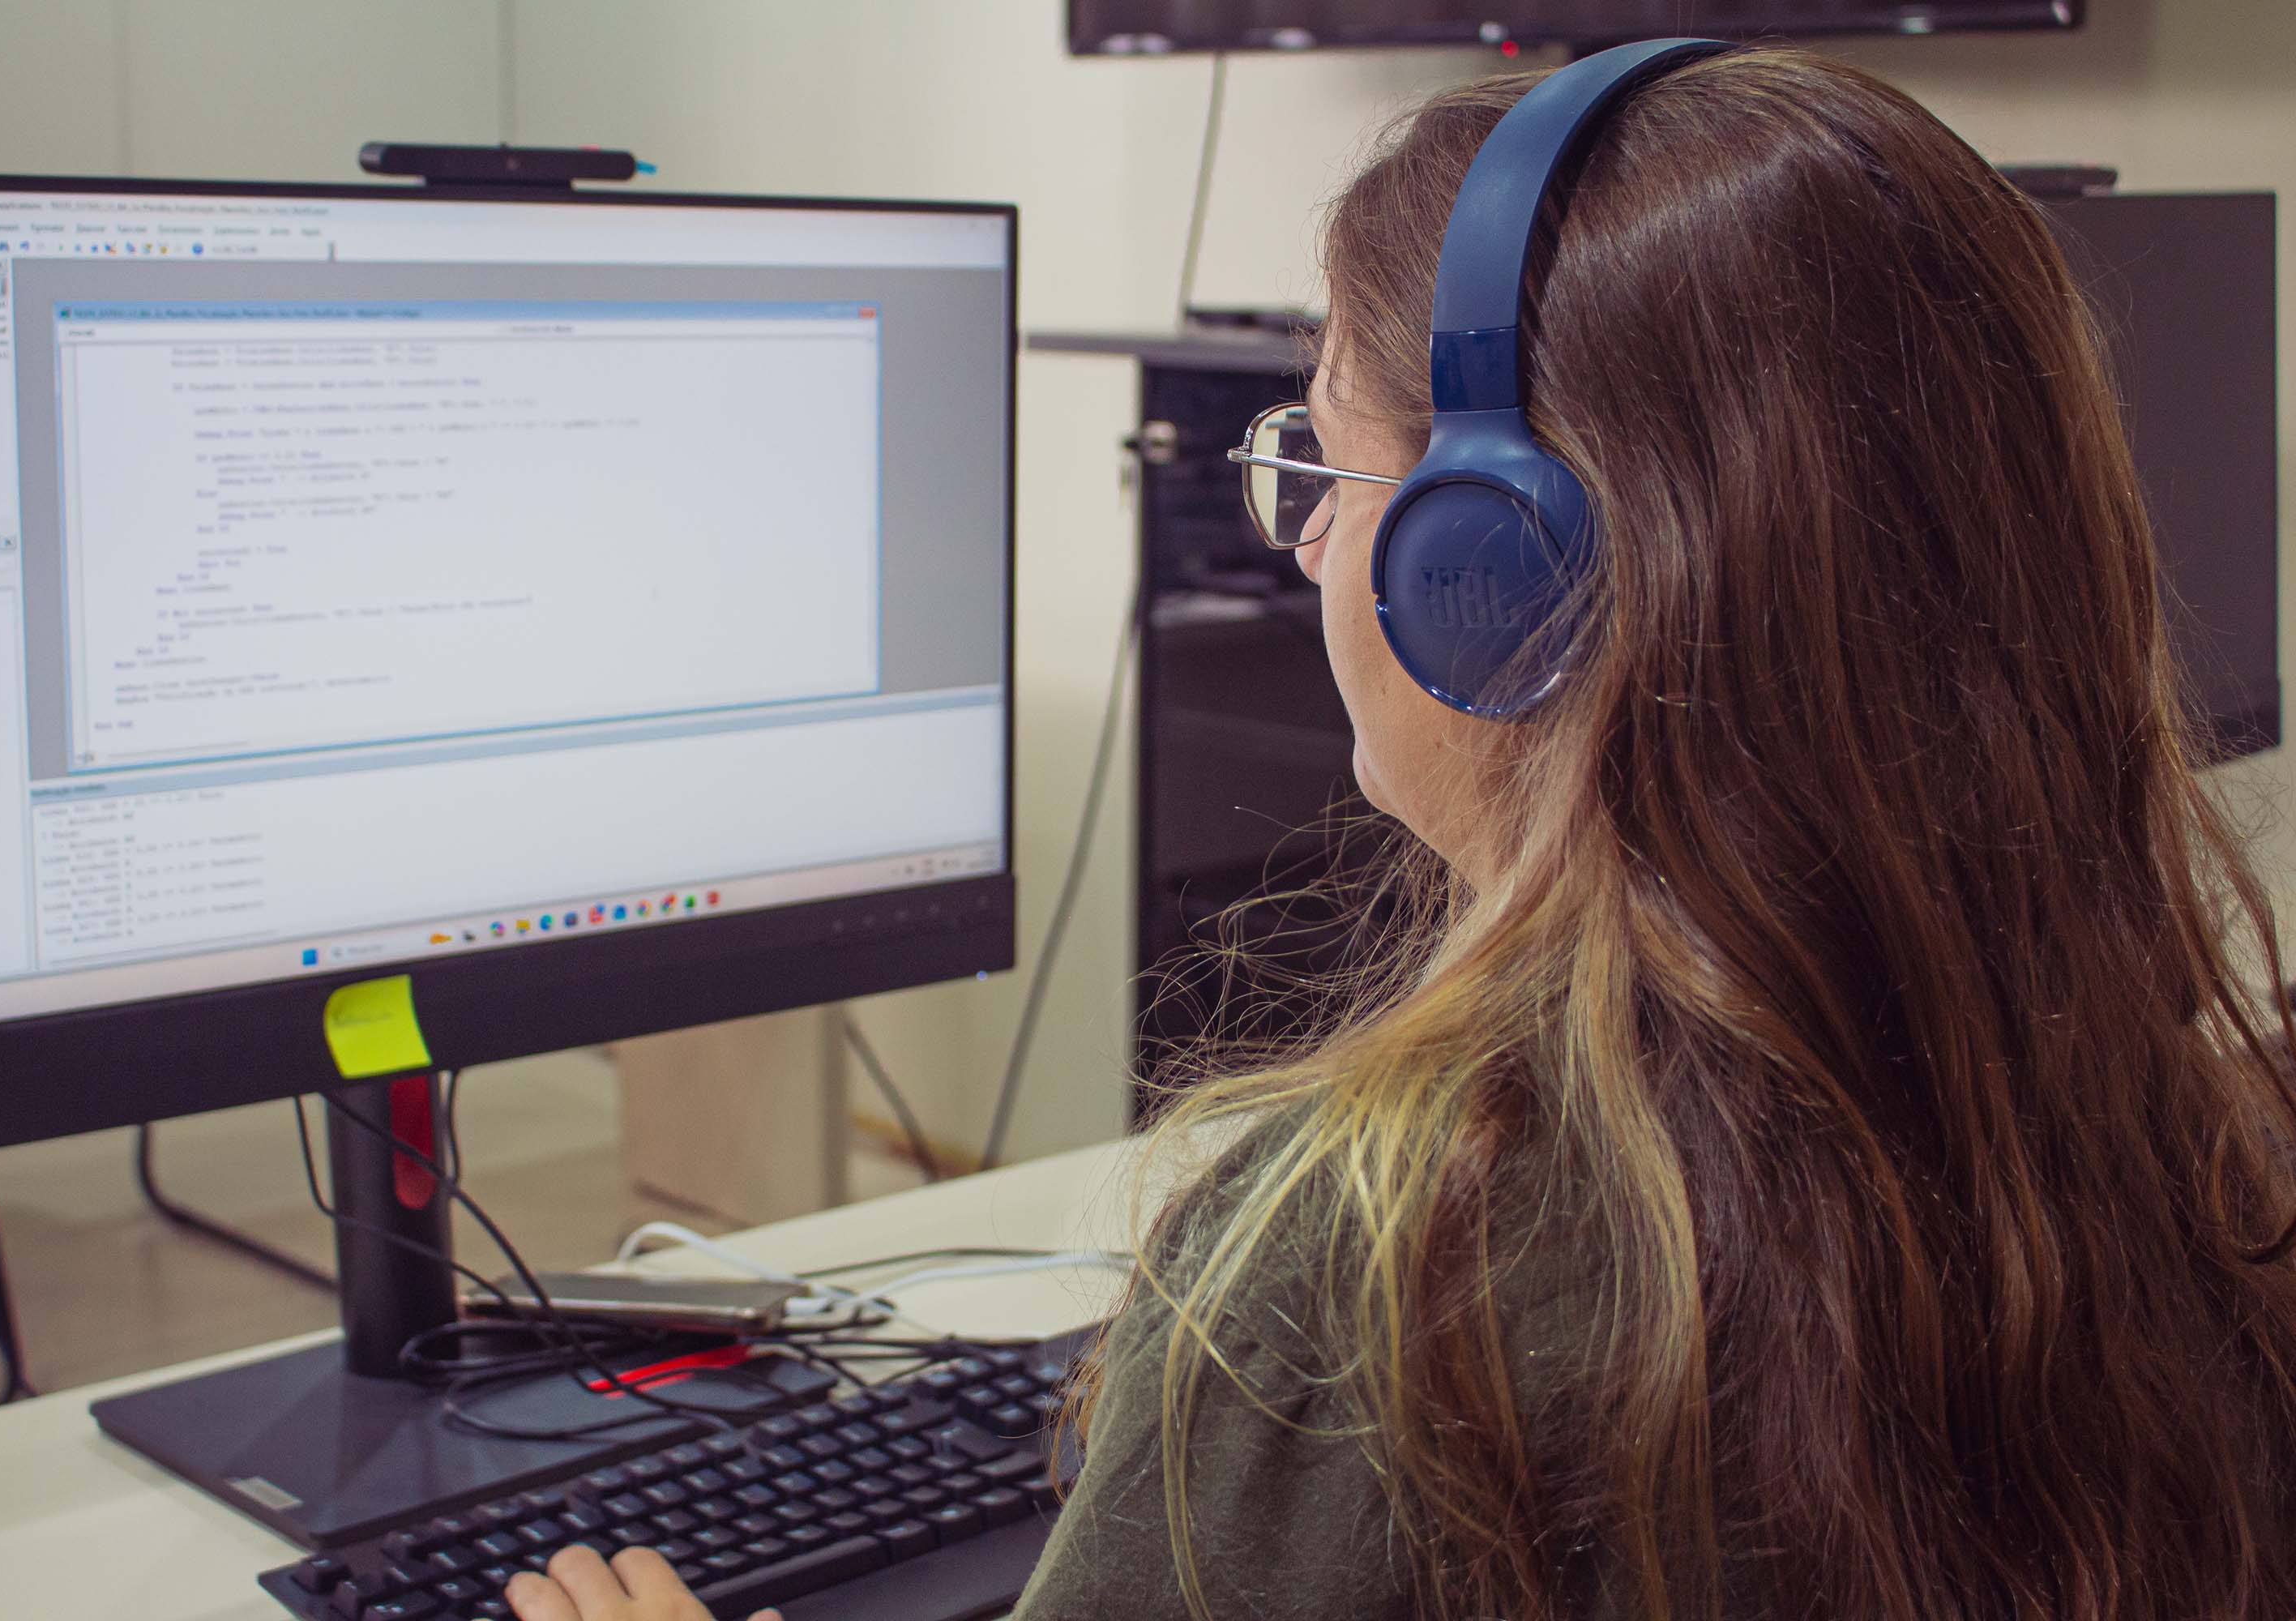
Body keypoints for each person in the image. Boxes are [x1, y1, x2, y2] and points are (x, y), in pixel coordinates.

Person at [508, 41, 2296, 1621]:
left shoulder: (1380, 1268)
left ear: (1494, 572)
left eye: (1324, 464)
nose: (1299, 539)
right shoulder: (2187, 1135)